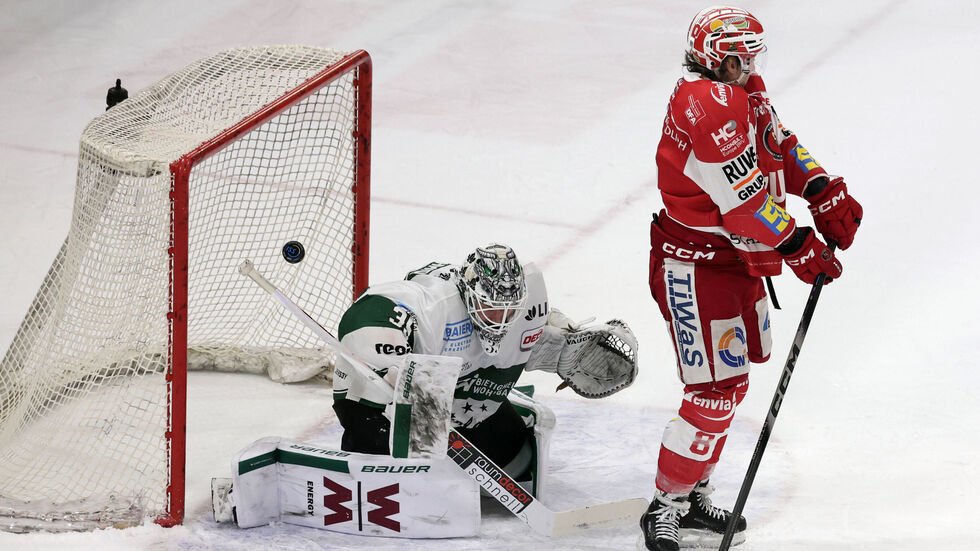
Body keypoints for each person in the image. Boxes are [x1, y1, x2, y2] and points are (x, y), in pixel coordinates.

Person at [641, 6, 863, 550]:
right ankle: (664, 505)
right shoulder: (705, 106)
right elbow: (743, 206)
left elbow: (779, 142)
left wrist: (821, 188)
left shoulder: (742, 88)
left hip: (736, 262)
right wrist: (798, 244)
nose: (752, 63)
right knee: (713, 393)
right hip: (694, 265)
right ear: (720, 55)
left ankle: (691, 495)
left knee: (731, 386)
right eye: (744, 55)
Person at [332, 243, 638, 495]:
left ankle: (435, 459)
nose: (501, 319)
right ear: (468, 292)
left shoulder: (521, 311)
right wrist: (391, 361)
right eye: (491, 307)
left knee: (513, 453)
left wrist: (561, 344)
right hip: (382, 401)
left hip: (449, 402)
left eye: (510, 309)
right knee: (380, 460)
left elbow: (529, 331)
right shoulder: (436, 303)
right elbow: (368, 310)